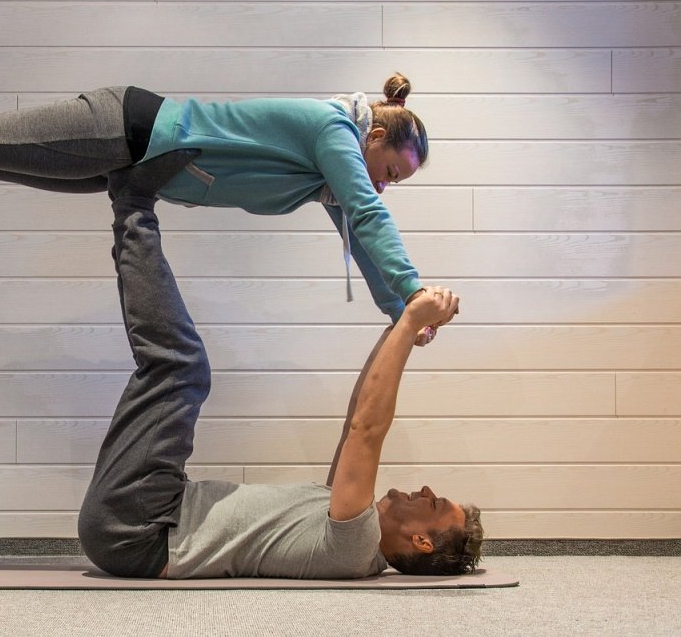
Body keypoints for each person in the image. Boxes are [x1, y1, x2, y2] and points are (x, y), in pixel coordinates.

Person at [0, 75, 434, 335]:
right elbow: (370, 220)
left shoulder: (327, 168)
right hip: (125, 128)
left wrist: (403, 313)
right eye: (390, 171)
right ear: (374, 135)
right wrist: (414, 290)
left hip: (131, 163)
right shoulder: (331, 130)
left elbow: (357, 233)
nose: (381, 187)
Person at [76, 163, 482, 579]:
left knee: (181, 367)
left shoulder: (355, 546)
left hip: (140, 531)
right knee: (179, 367)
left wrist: (413, 321)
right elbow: (355, 419)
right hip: (148, 514)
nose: (427, 491)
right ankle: (129, 199)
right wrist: (399, 327)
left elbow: (368, 430)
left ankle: (133, 202)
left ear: (422, 541)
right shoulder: (342, 519)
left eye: (433, 505)